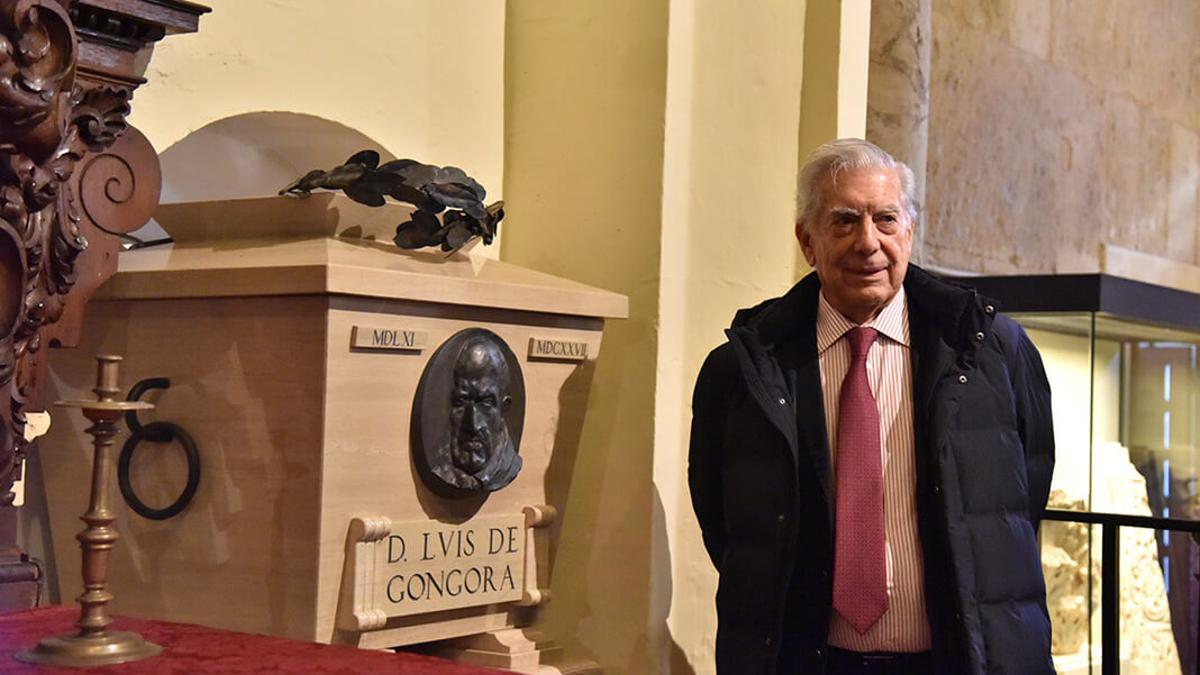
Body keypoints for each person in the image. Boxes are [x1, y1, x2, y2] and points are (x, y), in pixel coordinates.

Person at [688, 139, 1054, 674]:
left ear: (908, 229)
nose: (868, 242)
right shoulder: (741, 371)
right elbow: (722, 519)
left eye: (885, 219)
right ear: (806, 241)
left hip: (960, 660)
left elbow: (1025, 493)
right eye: (843, 222)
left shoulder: (995, 351)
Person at [434, 335, 522, 492]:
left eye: (485, 404)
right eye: (461, 402)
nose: (473, 424)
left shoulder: (508, 466)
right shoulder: (440, 466)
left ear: (504, 409)